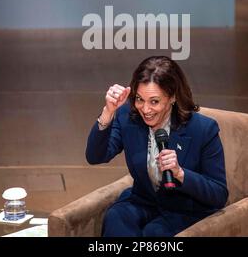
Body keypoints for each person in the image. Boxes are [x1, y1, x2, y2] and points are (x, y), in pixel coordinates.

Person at [86, 56, 228, 237]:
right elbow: (96, 156)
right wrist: (108, 112)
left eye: (154, 101)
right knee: (116, 218)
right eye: (139, 99)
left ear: (173, 97)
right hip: (144, 201)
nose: (145, 109)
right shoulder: (127, 117)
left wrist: (180, 173)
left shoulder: (203, 129)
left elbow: (219, 194)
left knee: (154, 233)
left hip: (185, 210)